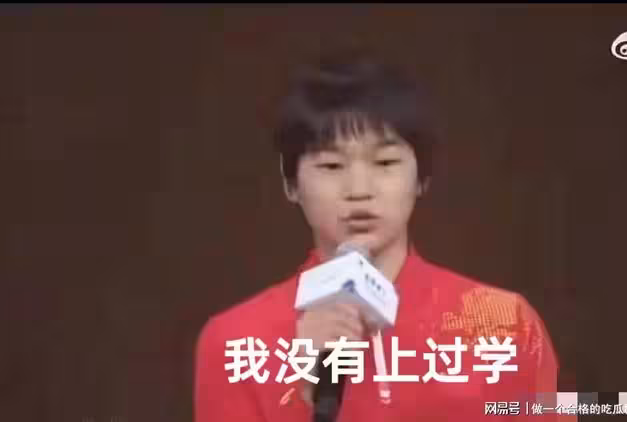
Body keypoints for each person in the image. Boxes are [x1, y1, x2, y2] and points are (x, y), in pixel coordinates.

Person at [195, 52, 564, 421]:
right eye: (331, 166)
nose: (359, 190)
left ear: (421, 176)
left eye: (385, 162)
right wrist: (302, 391)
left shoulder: (504, 324)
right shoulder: (235, 341)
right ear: (290, 183)